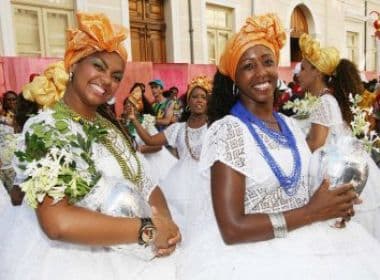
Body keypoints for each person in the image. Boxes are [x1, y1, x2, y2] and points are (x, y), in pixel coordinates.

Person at [176, 14, 380, 279]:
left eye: (268, 62)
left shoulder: (290, 125)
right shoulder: (228, 131)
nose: (261, 72)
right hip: (254, 258)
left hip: (312, 242)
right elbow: (232, 228)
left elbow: (302, 190)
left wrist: (333, 206)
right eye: (248, 66)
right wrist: (312, 212)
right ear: (234, 79)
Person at [0, 12, 180, 280]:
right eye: (98, 66)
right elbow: (57, 223)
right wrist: (148, 230)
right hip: (71, 263)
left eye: (117, 76)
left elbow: (147, 183)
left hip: (135, 252)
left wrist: (165, 224)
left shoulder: (111, 127)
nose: (107, 80)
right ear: (73, 64)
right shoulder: (44, 129)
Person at [297, 34, 380, 237]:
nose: (299, 73)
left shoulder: (324, 102)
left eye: (304, 68)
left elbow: (315, 144)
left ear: (317, 72)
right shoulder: (327, 99)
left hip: (336, 174)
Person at [127, 76, 211, 229]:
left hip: (209, 181)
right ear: (188, 102)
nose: (199, 100)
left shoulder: (215, 127)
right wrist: (134, 120)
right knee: (182, 223)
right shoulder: (178, 129)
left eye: (203, 97)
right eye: (195, 97)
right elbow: (150, 140)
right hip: (180, 183)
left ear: (208, 102)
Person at [122, 82, 177, 184]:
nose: (128, 109)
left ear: (137, 109)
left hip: (154, 162)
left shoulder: (145, 121)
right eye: (126, 106)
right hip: (137, 163)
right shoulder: (124, 123)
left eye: (131, 106)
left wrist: (140, 150)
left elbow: (158, 146)